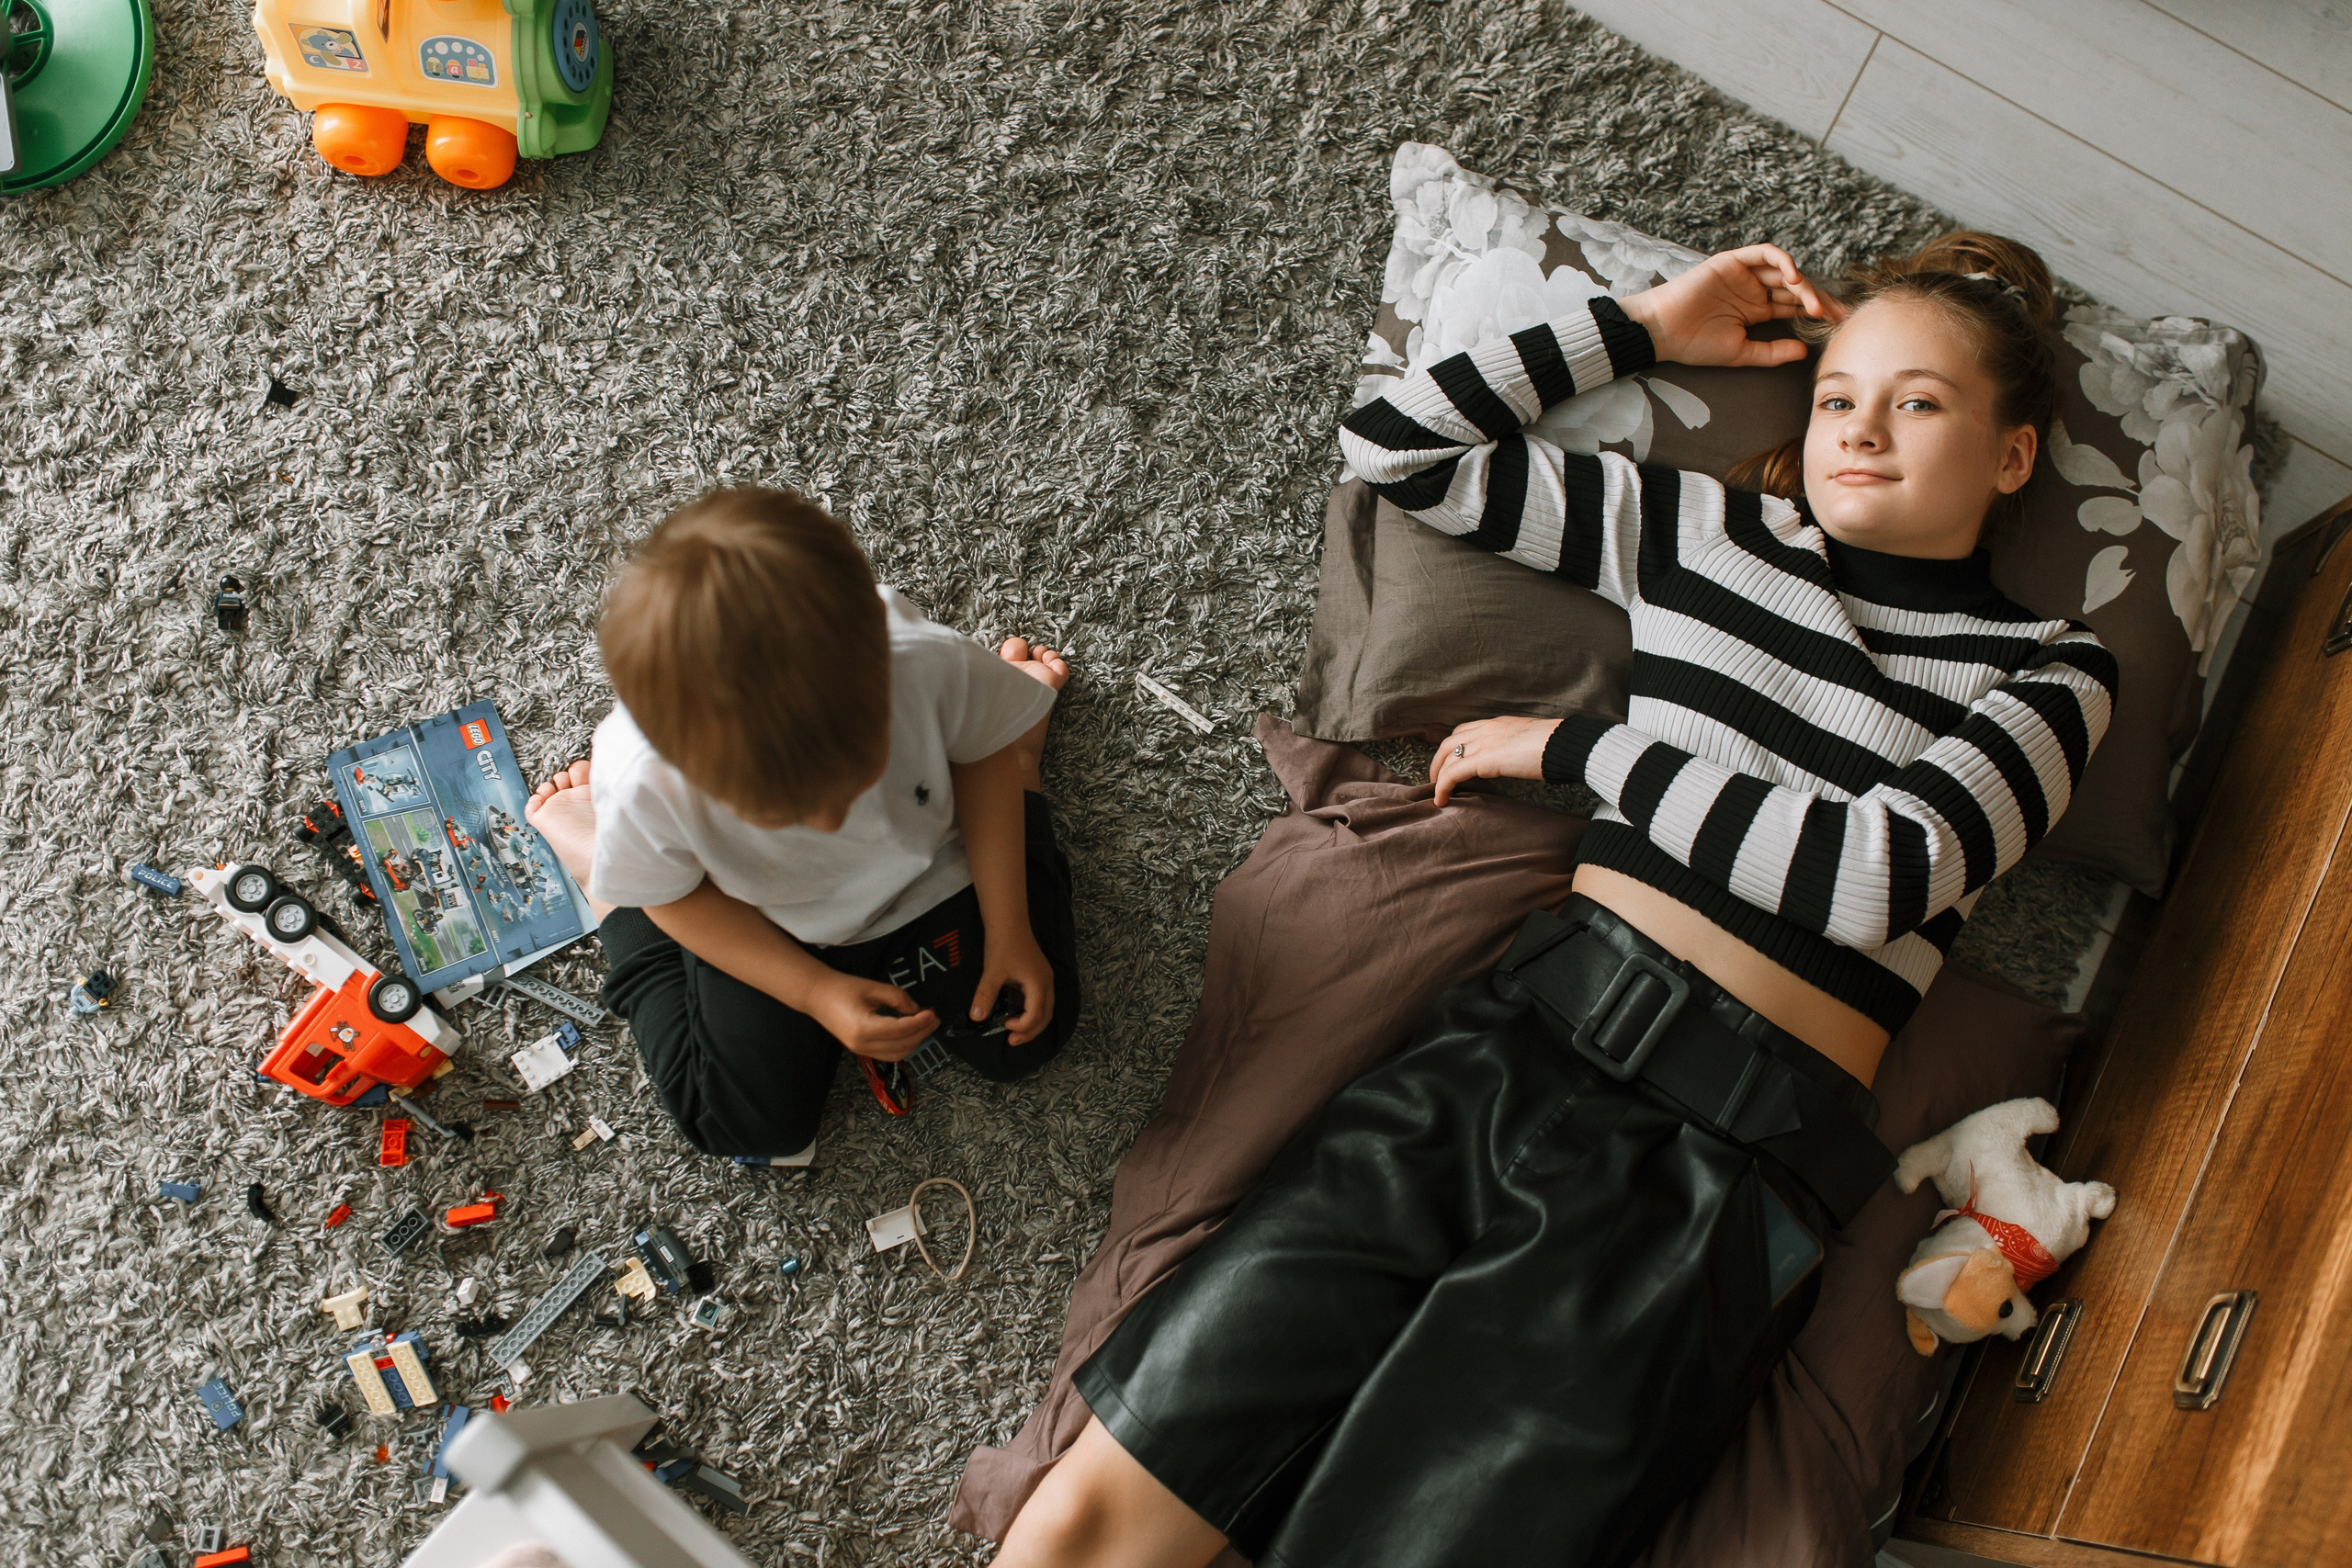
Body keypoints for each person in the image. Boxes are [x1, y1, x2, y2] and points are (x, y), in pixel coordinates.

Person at [998, 232, 2116, 1568]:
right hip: (1498, 1051)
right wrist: (1647, 323)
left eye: (1917, 400)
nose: (1859, 428)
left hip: (1710, 1183)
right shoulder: (1709, 532)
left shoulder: (2051, 673)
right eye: (1835, 396)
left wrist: (1576, 751)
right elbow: (1395, 446)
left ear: (2012, 455)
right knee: (1090, 1516)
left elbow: (1869, 877)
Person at [523, 487, 1081, 1158]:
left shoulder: (917, 656)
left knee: (1031, 1034)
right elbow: (679, 900)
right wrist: (814, 991)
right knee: (742, 1127)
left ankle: (1021, 742)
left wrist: (1011, 926)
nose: (832, 817)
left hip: (925, 877)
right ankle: (609, 878)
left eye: (855, 773)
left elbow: (978, 754)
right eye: (779, 807)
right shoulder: (642, 776)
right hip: (762, 921)